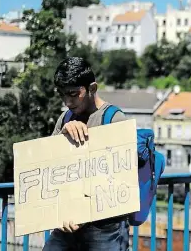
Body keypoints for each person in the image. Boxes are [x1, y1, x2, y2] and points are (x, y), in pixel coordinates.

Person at [43, 57, 129, 251]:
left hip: (105, 228)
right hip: (68, 223)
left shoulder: (114, 119)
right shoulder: (65, 117)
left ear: (92, 88)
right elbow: (47, 166)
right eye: (62, 94)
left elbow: (120, 178)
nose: (67, 101)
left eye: (74, 94)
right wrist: (64, 134)